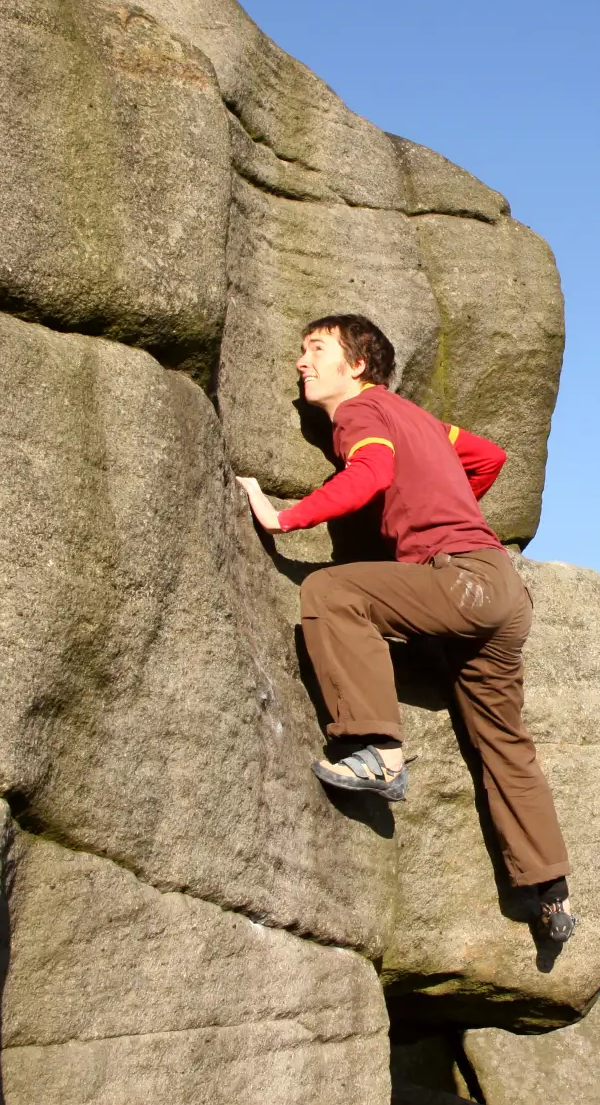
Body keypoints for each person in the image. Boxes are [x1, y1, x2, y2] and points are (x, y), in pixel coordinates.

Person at [235, 313, 576, 942]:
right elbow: (489, 456)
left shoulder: (358, 413)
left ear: (356, 365)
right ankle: (549, 891)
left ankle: (379, 754)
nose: (301, 363)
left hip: (459, 583)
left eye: (316, 350)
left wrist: (285, 520)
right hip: (499, 590)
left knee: (332, 589)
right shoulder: (416, 417)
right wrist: (449, 508)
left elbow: (371, 475)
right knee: (502, 740)